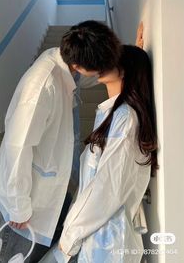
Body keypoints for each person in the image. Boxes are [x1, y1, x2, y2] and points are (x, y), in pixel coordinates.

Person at [0, 21, 122, 263]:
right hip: (27, 202)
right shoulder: (41, 87)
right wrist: (18, 204)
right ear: (78, 66)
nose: (99, 75)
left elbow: (90, 77)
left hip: (55, 189)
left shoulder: (66, 60)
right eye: (97, 69)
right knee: (15, 258)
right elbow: (17, 147)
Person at [39, 45, 158, 263]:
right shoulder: (112, 115)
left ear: (125, 70)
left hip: (108, 244)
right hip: (95, 239)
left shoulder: (125, 118)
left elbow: (106, 189)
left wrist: (68, 239)